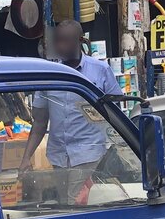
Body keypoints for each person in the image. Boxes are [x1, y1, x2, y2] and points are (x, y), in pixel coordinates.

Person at [19, 19, 120, 204]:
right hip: (59, 155)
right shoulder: (49, 73)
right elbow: (40, 122)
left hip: (89, 153)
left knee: (74, 203)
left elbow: (115, 112)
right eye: (57, 41)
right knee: (65, 203)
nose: (60, 46)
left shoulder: (100, 71)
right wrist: (26, 157)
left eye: (65, 41)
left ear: (80, 41)